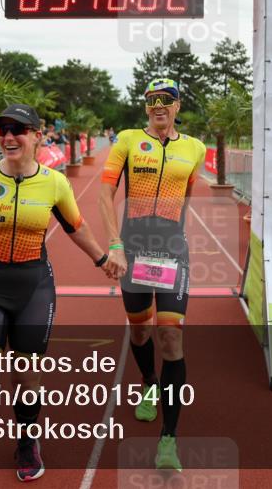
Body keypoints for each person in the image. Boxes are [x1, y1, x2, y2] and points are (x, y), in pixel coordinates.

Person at [0, 103, 115, 489]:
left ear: (38, 136)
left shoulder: (54, 183)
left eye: (18, 129)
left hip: (33, 288)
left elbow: (76, 227)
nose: (8, 136)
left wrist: (102, 259)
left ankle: (26, 442)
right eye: (2, 129)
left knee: (26, 376)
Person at [98, 78, 206, 471]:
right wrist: (115, 244)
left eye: (166, 99)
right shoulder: (127, 139)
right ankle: (149, 382)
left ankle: (168, 439)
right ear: (146, 107)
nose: (158, 105)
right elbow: (103, 194)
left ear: (178, 106)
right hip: (133, 247)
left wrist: (175, 235)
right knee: (141, 331)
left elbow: (188, 196)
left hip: (171, 249)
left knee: (172, 337)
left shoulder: (194, 148)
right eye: (151, 100)